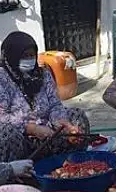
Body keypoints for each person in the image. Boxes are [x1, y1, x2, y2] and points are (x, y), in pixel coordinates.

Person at [0, 31, 90, 162]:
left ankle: (71, 163)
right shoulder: (2, 78)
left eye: (32, 55)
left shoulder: (43, 74)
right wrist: (32, 129)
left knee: (77, 115)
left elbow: (55, 104)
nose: (29, 59)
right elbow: (2, 117)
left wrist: (63, 123)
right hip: (21, 138)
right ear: (12, 55)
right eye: (25, 56)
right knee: (5, 134)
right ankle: (18, 174)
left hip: (49, 132)